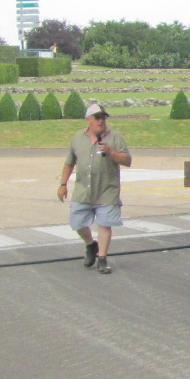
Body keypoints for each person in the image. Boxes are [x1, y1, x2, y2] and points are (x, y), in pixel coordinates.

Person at [58, 103, 131, 274]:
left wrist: (111, 152)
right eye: (97, 118)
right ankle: (91, 245)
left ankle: (102, 259)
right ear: (88, 120)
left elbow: (127, 160)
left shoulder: (114, 137)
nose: (101, 121)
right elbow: (69, 162)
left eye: (103, 118)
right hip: (83, 190)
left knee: (105, 224)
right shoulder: (77, 138)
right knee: (77, 222)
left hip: (107, 190)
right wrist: (62, 185)